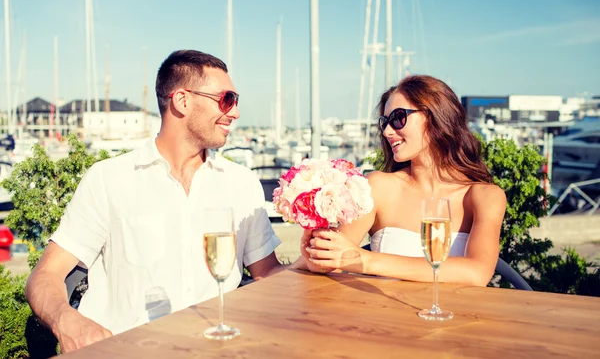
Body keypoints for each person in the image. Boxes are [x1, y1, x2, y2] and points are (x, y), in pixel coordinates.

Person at [25, 50, 284, 353]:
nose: (235, 112)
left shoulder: (240, 183)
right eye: (227, 99)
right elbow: (46, 276)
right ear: (182, 100)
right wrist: (66, 321)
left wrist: (313, 257)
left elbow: (267, 273)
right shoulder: (109, 179)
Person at [301, 75, 506, 286]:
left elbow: (477, 273)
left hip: (455, 317)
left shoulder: (483, 196)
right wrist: (316, 255)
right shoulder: (378, 187)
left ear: (435, 115)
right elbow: (332, 259)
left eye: (398, 118)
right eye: (385, 122)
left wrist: (365, 261)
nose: (388, 131)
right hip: (386, 315)